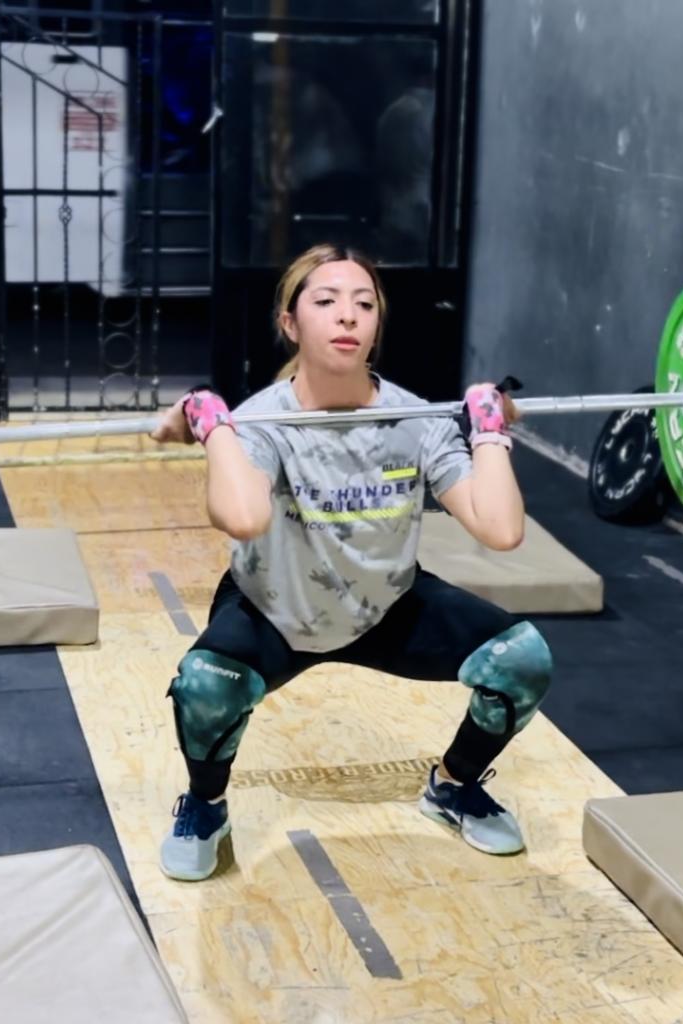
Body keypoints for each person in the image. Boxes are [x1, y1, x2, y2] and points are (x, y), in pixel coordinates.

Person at [151, 243, 553, 882]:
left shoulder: (413, 420)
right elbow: (243, 517)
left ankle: (452, 786)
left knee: (522, 660)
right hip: (276, 610)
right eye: (327, 301)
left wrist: (487, 431)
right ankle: (206, 805)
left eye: (364, 304)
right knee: (205, 684)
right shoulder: (265, 421)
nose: (348, 316)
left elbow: (500, 529)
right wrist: (215, 423)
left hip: (385, 605)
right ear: (290, 323)